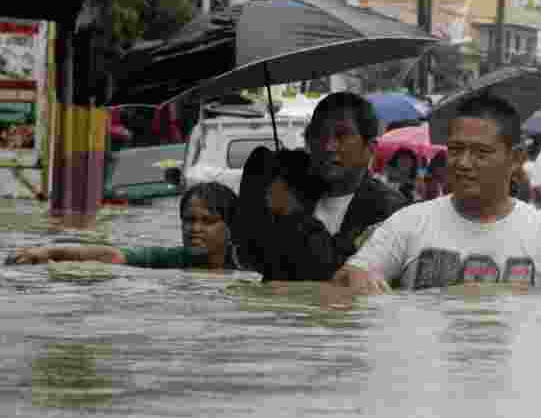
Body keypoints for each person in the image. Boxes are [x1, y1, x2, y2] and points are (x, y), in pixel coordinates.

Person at [333, 92, 541, 294]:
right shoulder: (409, 224)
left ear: (515, 159)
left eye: (480, 153)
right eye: (456, 149)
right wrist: (358, 281)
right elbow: (350, 277)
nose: (463, 163)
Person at [236, 92, 408, 282]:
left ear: (370, 148)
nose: (329, 146)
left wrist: (293, 213)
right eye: (320, 134)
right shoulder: (295, 189)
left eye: (342, 135)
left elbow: (338, 274)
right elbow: (251, 258)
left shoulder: (388, 210)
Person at [8, 182, 242, 271]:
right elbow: (112, 255)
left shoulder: (250, 266)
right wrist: (48, 251)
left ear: (231, 227)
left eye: (207, 221)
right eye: (189, 220)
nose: (195, 229)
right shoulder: (172, 259)